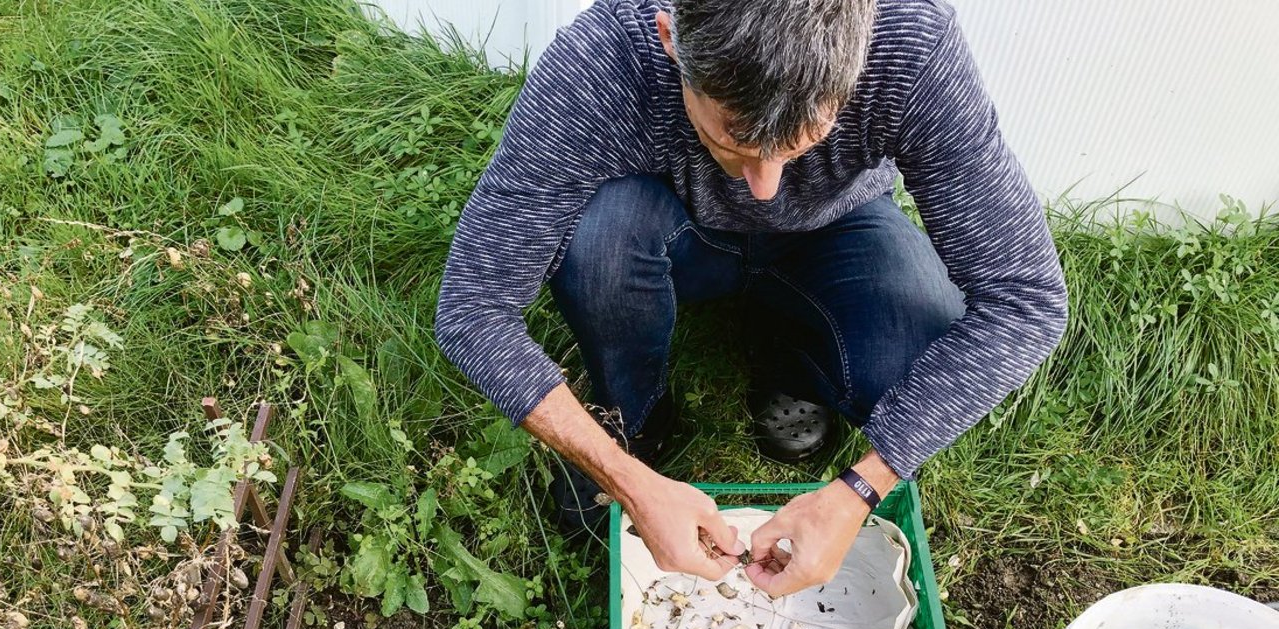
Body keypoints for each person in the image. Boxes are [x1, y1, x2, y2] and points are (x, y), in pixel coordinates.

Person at [435, 0, 1067, 597]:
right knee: (596, 245)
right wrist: (622, 478)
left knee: (914, 353)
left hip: (838, 229)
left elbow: (1027, 297)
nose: (765, 190)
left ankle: (788, 357)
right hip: (668, 222)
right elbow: (472, 306)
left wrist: (861, 487)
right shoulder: (608, 54)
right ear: (671, 41)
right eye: (733, 141)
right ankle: (633, 422)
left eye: (801, 143)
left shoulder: (910, 43)